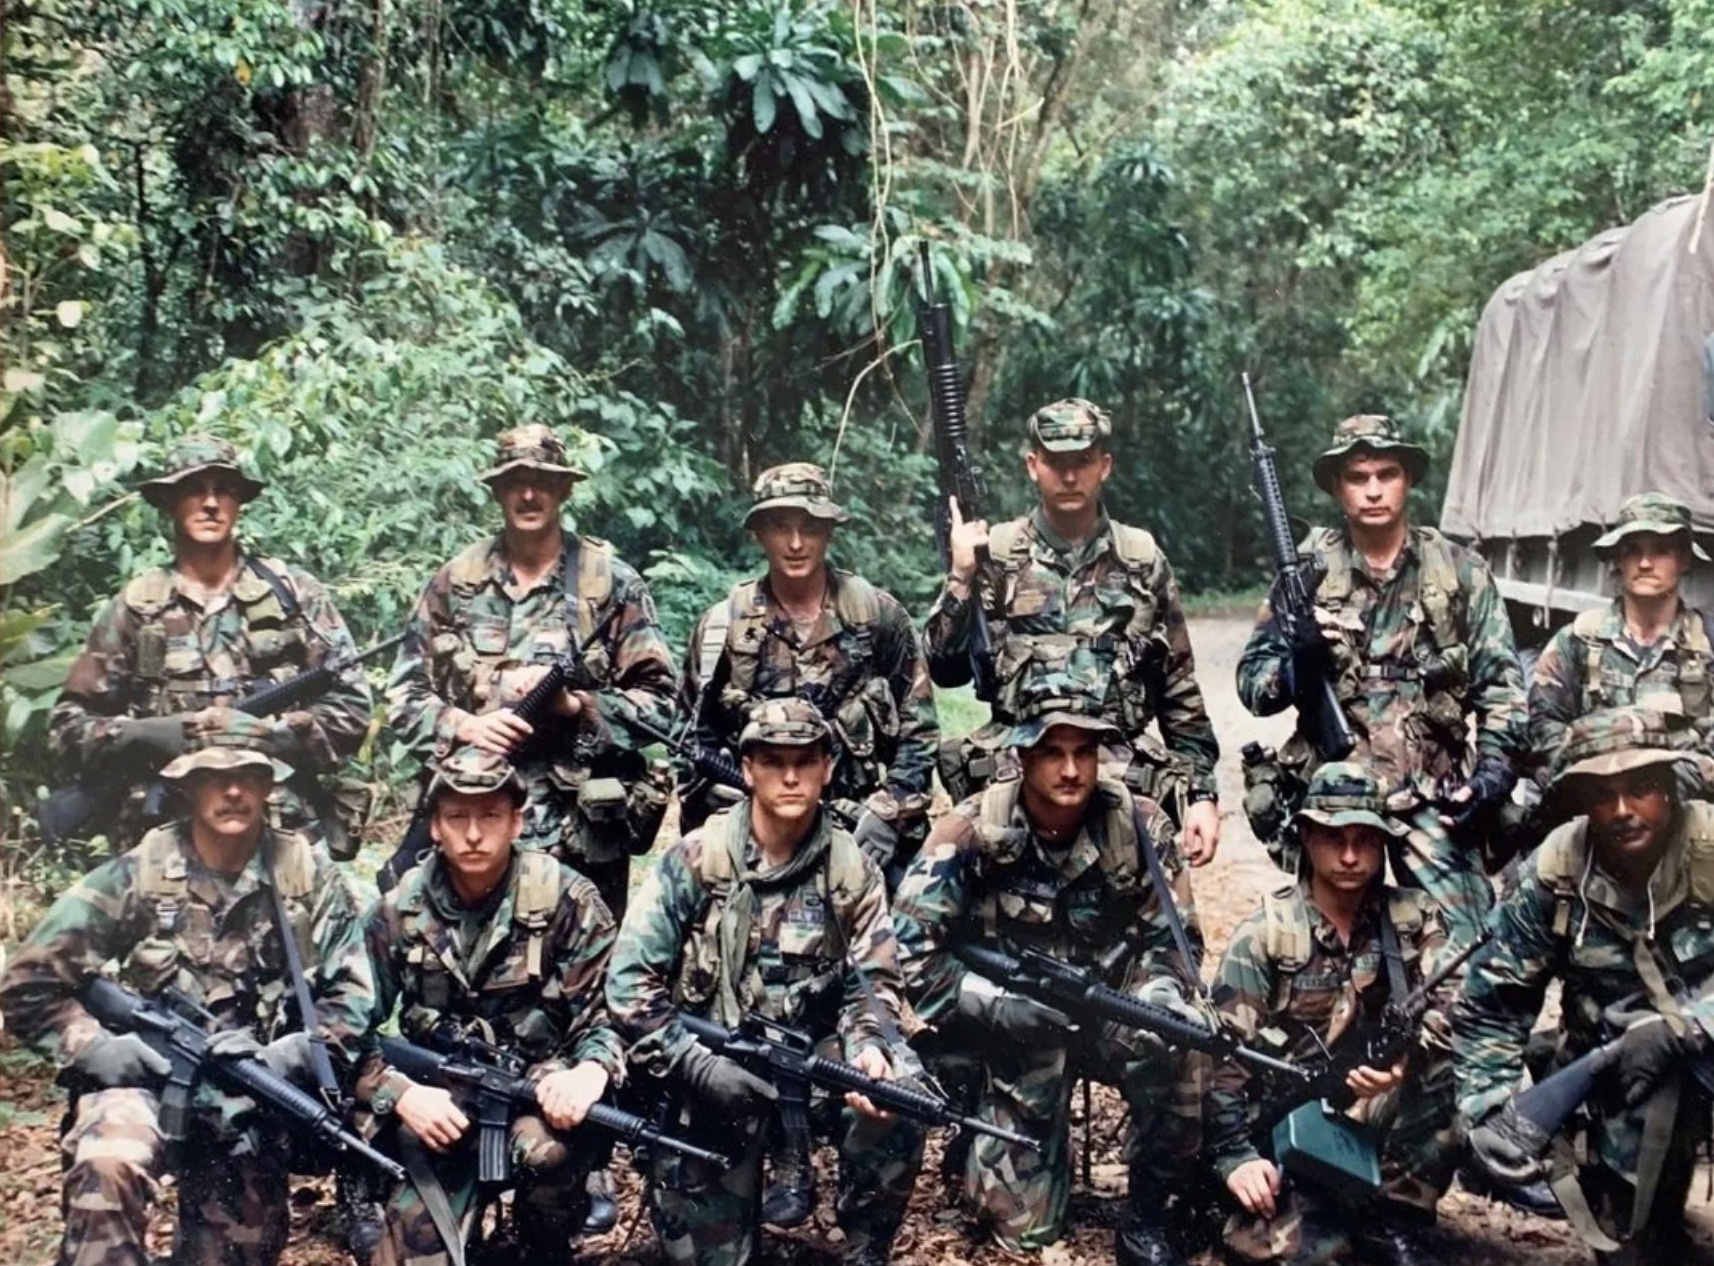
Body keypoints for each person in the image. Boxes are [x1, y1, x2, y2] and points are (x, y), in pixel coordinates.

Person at [384, 423, 676, 1231]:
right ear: (497, 487)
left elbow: (661, 709)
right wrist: (464, 727)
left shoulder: (609, 582)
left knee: (583, 1004)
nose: (528, 491)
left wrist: (582, 707)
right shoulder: (456, 581)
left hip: (579, 834)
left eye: (542, 479)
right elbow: (402, 697)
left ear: (563, 489)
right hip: (472, 821)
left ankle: (583, 1167)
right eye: (514, 477)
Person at [0, 721, 373, 1266]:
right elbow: (27, 980)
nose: (233, 792)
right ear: (188, 786)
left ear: (269, 787)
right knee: (109, 1164)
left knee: (240, 1245)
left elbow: (356, 993)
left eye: (248, 776)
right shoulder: (141, 872)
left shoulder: (307, 873)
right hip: (147, 1079)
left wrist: (298, 1051)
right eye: (214, 778)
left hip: (248, 1091)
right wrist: (94, 1046)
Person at [890, 677, 1208, 1266]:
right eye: (1052, 753)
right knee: (1024, 1233)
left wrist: (1158, 993)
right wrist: (992, 1004)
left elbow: (1177, 940)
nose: (1071, 770)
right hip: (1010, 1034)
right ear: (1021, 756)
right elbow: (906, 947)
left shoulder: (1138, 824)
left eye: (1084, 752)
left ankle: (1150, 1204)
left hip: (1110, 1011)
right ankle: (977, 1134)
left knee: (1182, 1036)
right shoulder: (970, 829)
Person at [606, 698, 924, 1266]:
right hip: (711, 1072)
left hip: (812, 1064)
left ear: (828, 767)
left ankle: (863, 1251)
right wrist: (698, 1064)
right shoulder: (697, 858)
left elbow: (873, 984)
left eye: (805, 760)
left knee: (891, 1107)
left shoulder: (851, 868)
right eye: (774, 761)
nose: (791, 775)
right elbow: (630, 985)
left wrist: (871, 1048)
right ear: (748, 768)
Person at [1236, 413, 1526, 946]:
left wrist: (1490, 773)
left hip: (1434, 800)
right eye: (1357, 477)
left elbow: (1503, 687)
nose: (1373, 490)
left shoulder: (1459, 571)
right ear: (1337, 488)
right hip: (1333, 806)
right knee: (1324, 958)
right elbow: (1252, 685)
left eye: (1386, 474)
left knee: (1468, 957)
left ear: (1408, 479)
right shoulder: (1305, 575)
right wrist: (1297, 666)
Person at [1457, 707, 1714, 1265]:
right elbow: (1493, 1005)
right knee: (1634, 1250)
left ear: (1671, 789)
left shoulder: (1710, 847)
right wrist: (1493, 1110)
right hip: (1623, 1082)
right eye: (1603, 795)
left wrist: (1690, 1026)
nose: (1622, 811)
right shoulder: (1556, 871)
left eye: (1641, 788)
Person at [922, 397, 1223, 866]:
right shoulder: (996, 553)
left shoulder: (1140, 558)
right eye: (1056, 462)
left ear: (1104, 466)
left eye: (1082, 462)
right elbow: (944, 669)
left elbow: (1179, 687)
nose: (1068, 476)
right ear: (1032, 465)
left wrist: (1202, 795)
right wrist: (961, 576)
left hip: (1119, 772)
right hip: (1017, 767)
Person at [358, 746, 624, 1265]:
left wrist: (589, 1070)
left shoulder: (567, 900)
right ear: (435, 826)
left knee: (551, 1154)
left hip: (535, 1102)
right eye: (457, 817)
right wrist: (400, 1093)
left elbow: (609, 1012)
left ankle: (544, 1238)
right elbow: (340, 1026)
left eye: (490, 816)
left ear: (517, 821)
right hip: (438, 1111)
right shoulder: (399, 909)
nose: (474, 834)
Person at [49, 434, 373, 856]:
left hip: (281, 835)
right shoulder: (136, 609)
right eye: (193, 489)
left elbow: (351, 708)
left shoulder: (292, 595)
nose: (210, 503)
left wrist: (272, 736)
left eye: (225, 490)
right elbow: (67, 731)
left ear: (239, 503)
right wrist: (153, 734)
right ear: (169, 502)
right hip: (165, 837)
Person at [1208, 762, 1459, 1266]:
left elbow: (1457, 1001)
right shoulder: (1265, 937)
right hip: (1280, 1126)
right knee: (1298, 1250)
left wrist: (1405, 1061)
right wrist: (1236, 1156)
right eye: (1333, 838)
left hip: (1368, 1113)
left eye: (1365, 840)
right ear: (1305, 836)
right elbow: (1220, 1063)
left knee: (1456, 1073)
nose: (1349, 856)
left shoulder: (1412, 918)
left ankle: (1396, 1215)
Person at [678, 461, 938, 884]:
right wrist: (715, 797)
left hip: (860, 831)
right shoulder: (723, 626)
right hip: (756, 835)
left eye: (811, 527)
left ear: (830, 531)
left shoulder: (878, 616)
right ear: (759, 532)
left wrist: (889, 811)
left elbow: (919, 730)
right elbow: (690, 734)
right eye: (780, 526)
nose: (796, 543)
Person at [1529, 491, 1713, 773]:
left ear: (1684, 560)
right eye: (1632, 550)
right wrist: (1590, 780)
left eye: (1661, 550)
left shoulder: (1707, 642)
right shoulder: (1578, 639)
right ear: (1617, 560)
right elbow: (1542, 726)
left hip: (1684, 801)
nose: (1645, 563)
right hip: (1594, 799)